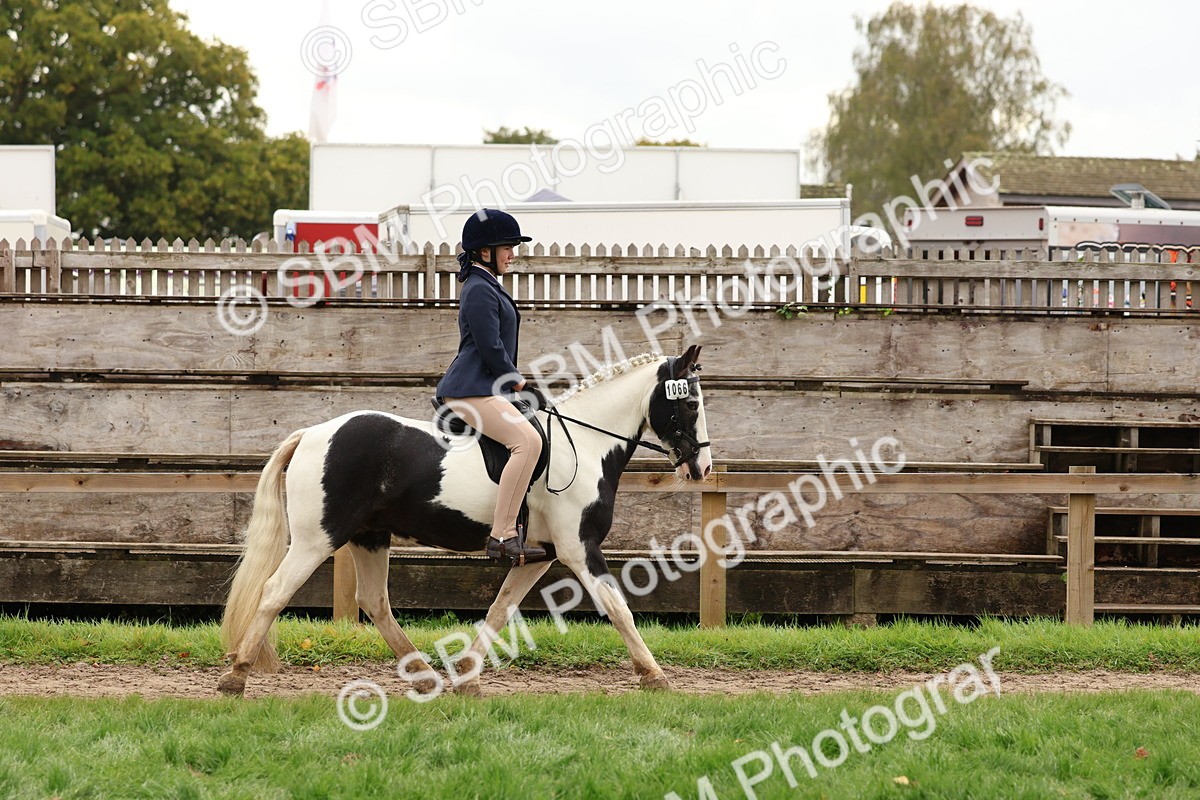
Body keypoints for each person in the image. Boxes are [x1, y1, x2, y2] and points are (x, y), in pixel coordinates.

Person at [436, 209, 549, 565]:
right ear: (485, 252)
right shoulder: (479, 289)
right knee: (528, 442)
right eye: (507, 248)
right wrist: (517, 380)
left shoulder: (486, 284)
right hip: (472, 389)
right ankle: (502, 536)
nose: (512, 254)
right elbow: (489, 347)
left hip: (487, 388)